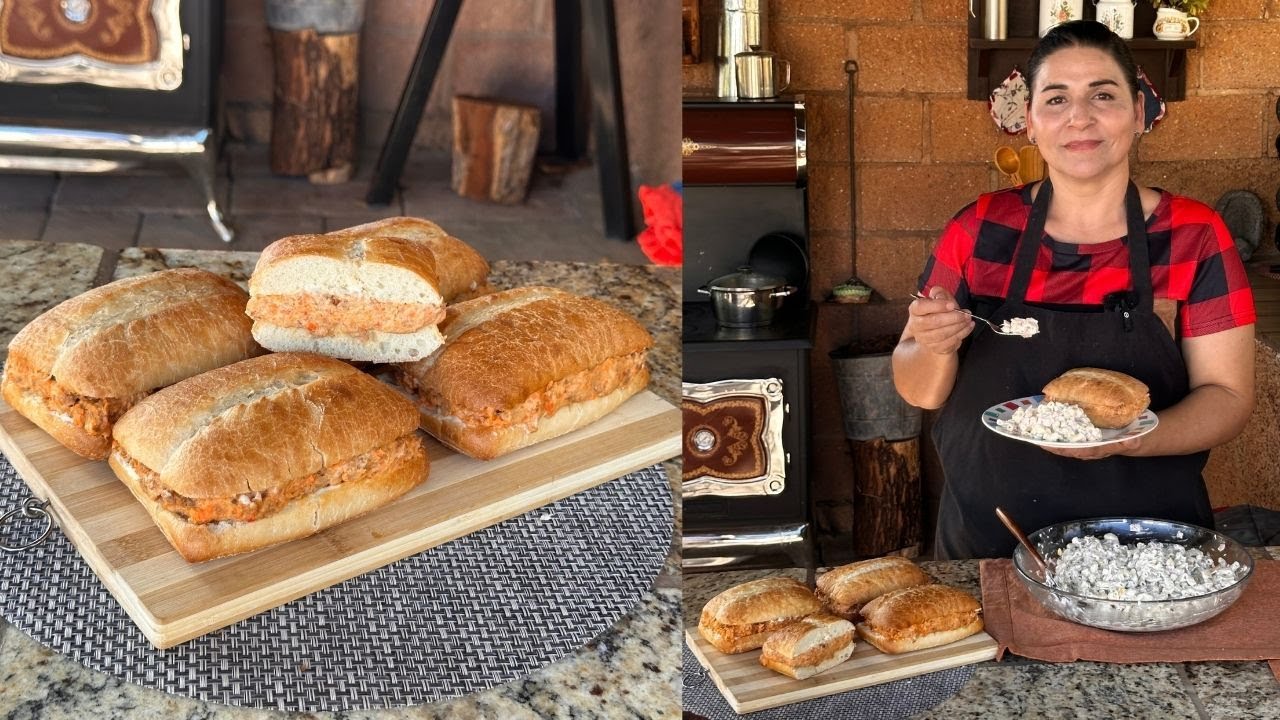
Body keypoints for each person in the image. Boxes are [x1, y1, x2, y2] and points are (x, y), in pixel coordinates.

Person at [891, 20, 1256, 560]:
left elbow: (1228, 397)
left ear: (1138, 112)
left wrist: (1134, 438)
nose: (1079, 117)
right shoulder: (980, 228)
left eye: (1102, 95)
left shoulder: (1194, 235)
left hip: (1148, 543)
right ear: (1030, 121)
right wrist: (933, 344)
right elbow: (918, 389)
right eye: (1056, 98)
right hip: (992, 538)